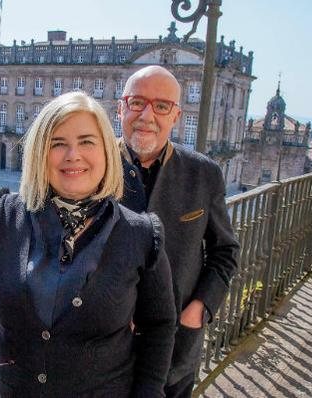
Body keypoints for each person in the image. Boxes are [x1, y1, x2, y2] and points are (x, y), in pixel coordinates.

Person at [0, 91, 177, 397]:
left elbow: (159, 325)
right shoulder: (2, 213)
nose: (72, 155)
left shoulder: (141, 234)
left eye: (87, 142)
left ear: (106, 151)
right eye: (57, 144)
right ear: (40, 153)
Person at [117, 65, 240, 398]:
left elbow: (225, 251)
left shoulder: (204, 173)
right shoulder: (92, 167)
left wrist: (199, 309)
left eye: (161, 106)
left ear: (176, 116)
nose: (147, 115)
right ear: (121, 108)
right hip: (106, 355)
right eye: (137, 102)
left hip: (175, 351)